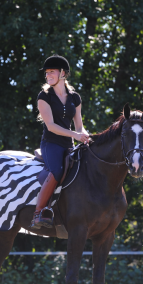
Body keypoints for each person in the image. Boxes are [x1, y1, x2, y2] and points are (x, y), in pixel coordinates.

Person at [30, 54, 89, 229]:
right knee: (56, 171)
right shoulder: (44, 96)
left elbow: (79, 126)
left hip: (68, 145)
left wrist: (86, 136)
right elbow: (51, 126)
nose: (48, 75)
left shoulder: (75, 98)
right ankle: (38, 213)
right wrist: (76, 135)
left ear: (63, 73)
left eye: (51, 72)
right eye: (46, 73)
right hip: (51, 144)